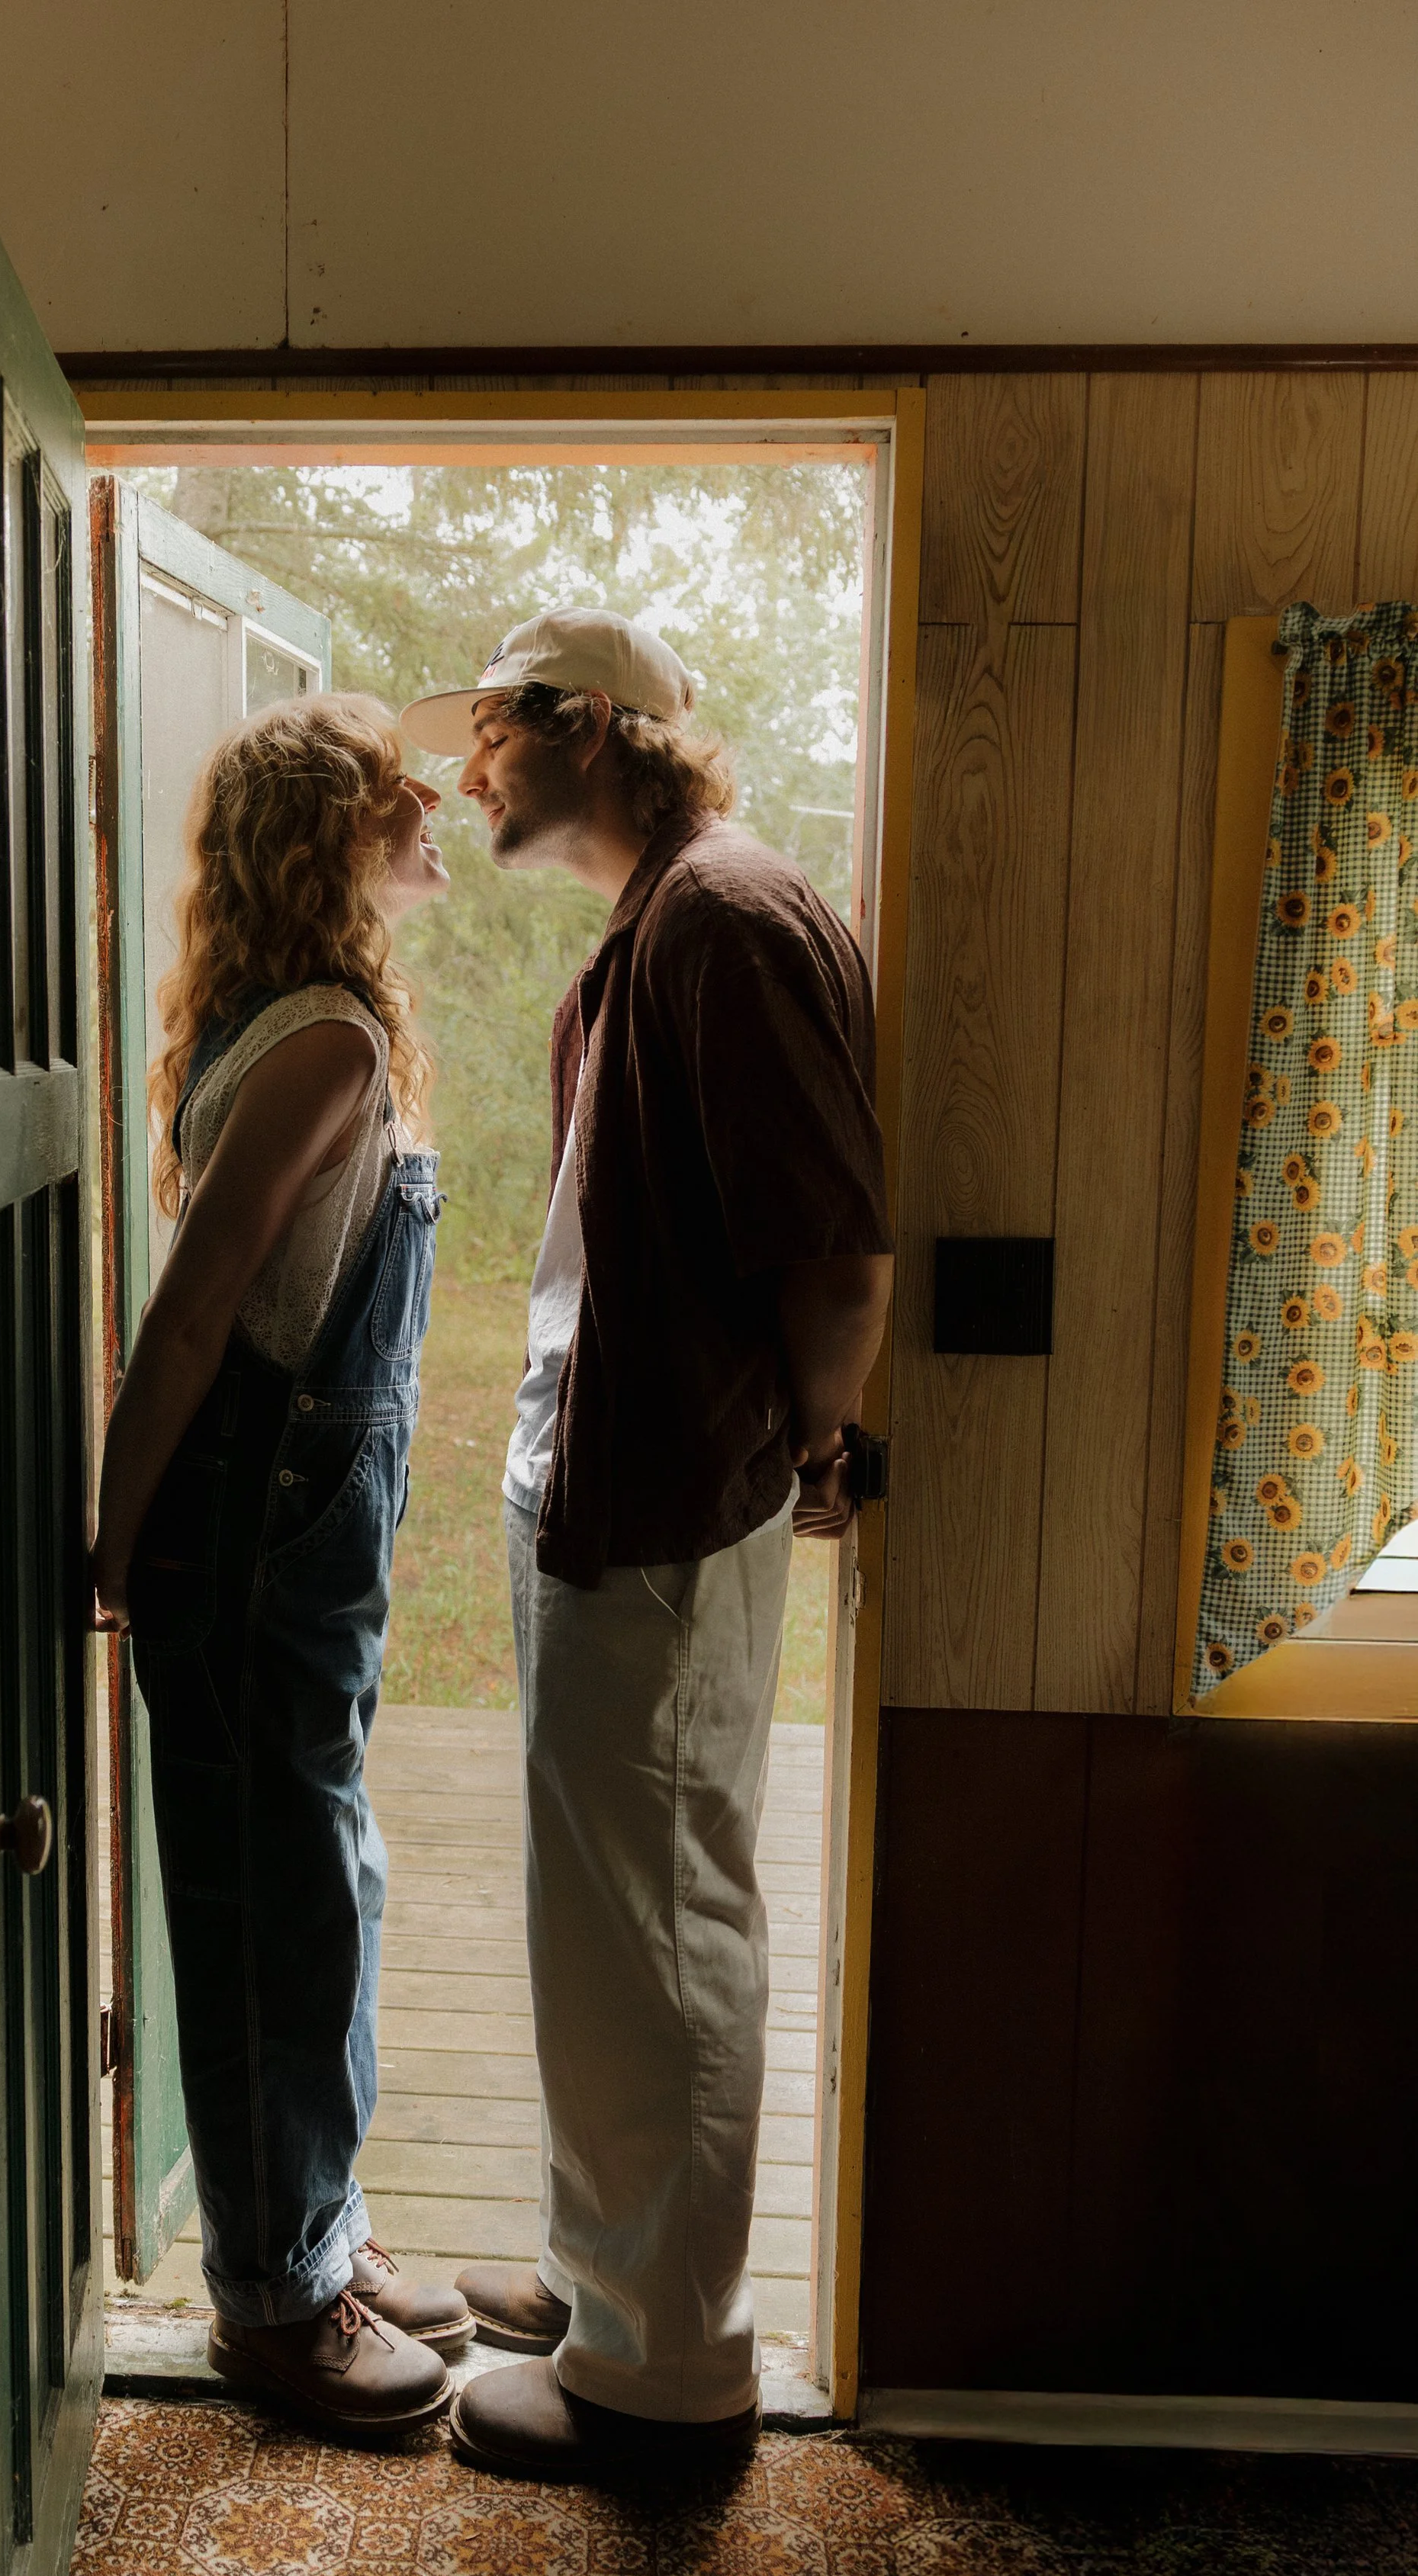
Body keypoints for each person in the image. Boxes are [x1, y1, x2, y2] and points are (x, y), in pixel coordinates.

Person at [399, 612, 893, 2479]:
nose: (470, 768)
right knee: (607, 1919)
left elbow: (835, 1257)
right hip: (611, 1484)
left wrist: (810, 1438)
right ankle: (601, 2272)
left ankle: (663, 2374)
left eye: (497, 730)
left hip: (665, 1496)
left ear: (594, 723)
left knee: (658, 1925)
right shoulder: (664, 918)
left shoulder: (723, 917)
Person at [92, 693, 473, 2440]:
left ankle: (316, 2223)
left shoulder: (303, 1019)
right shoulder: (319, 1042)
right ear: (327, 835)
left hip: (295, 1510)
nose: (432, 807)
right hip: (254, 1513)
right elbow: (189, 1315)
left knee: (323, 1880)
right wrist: (119, 1531)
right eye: (396, 794)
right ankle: (272, 2298)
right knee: (273, 1907)